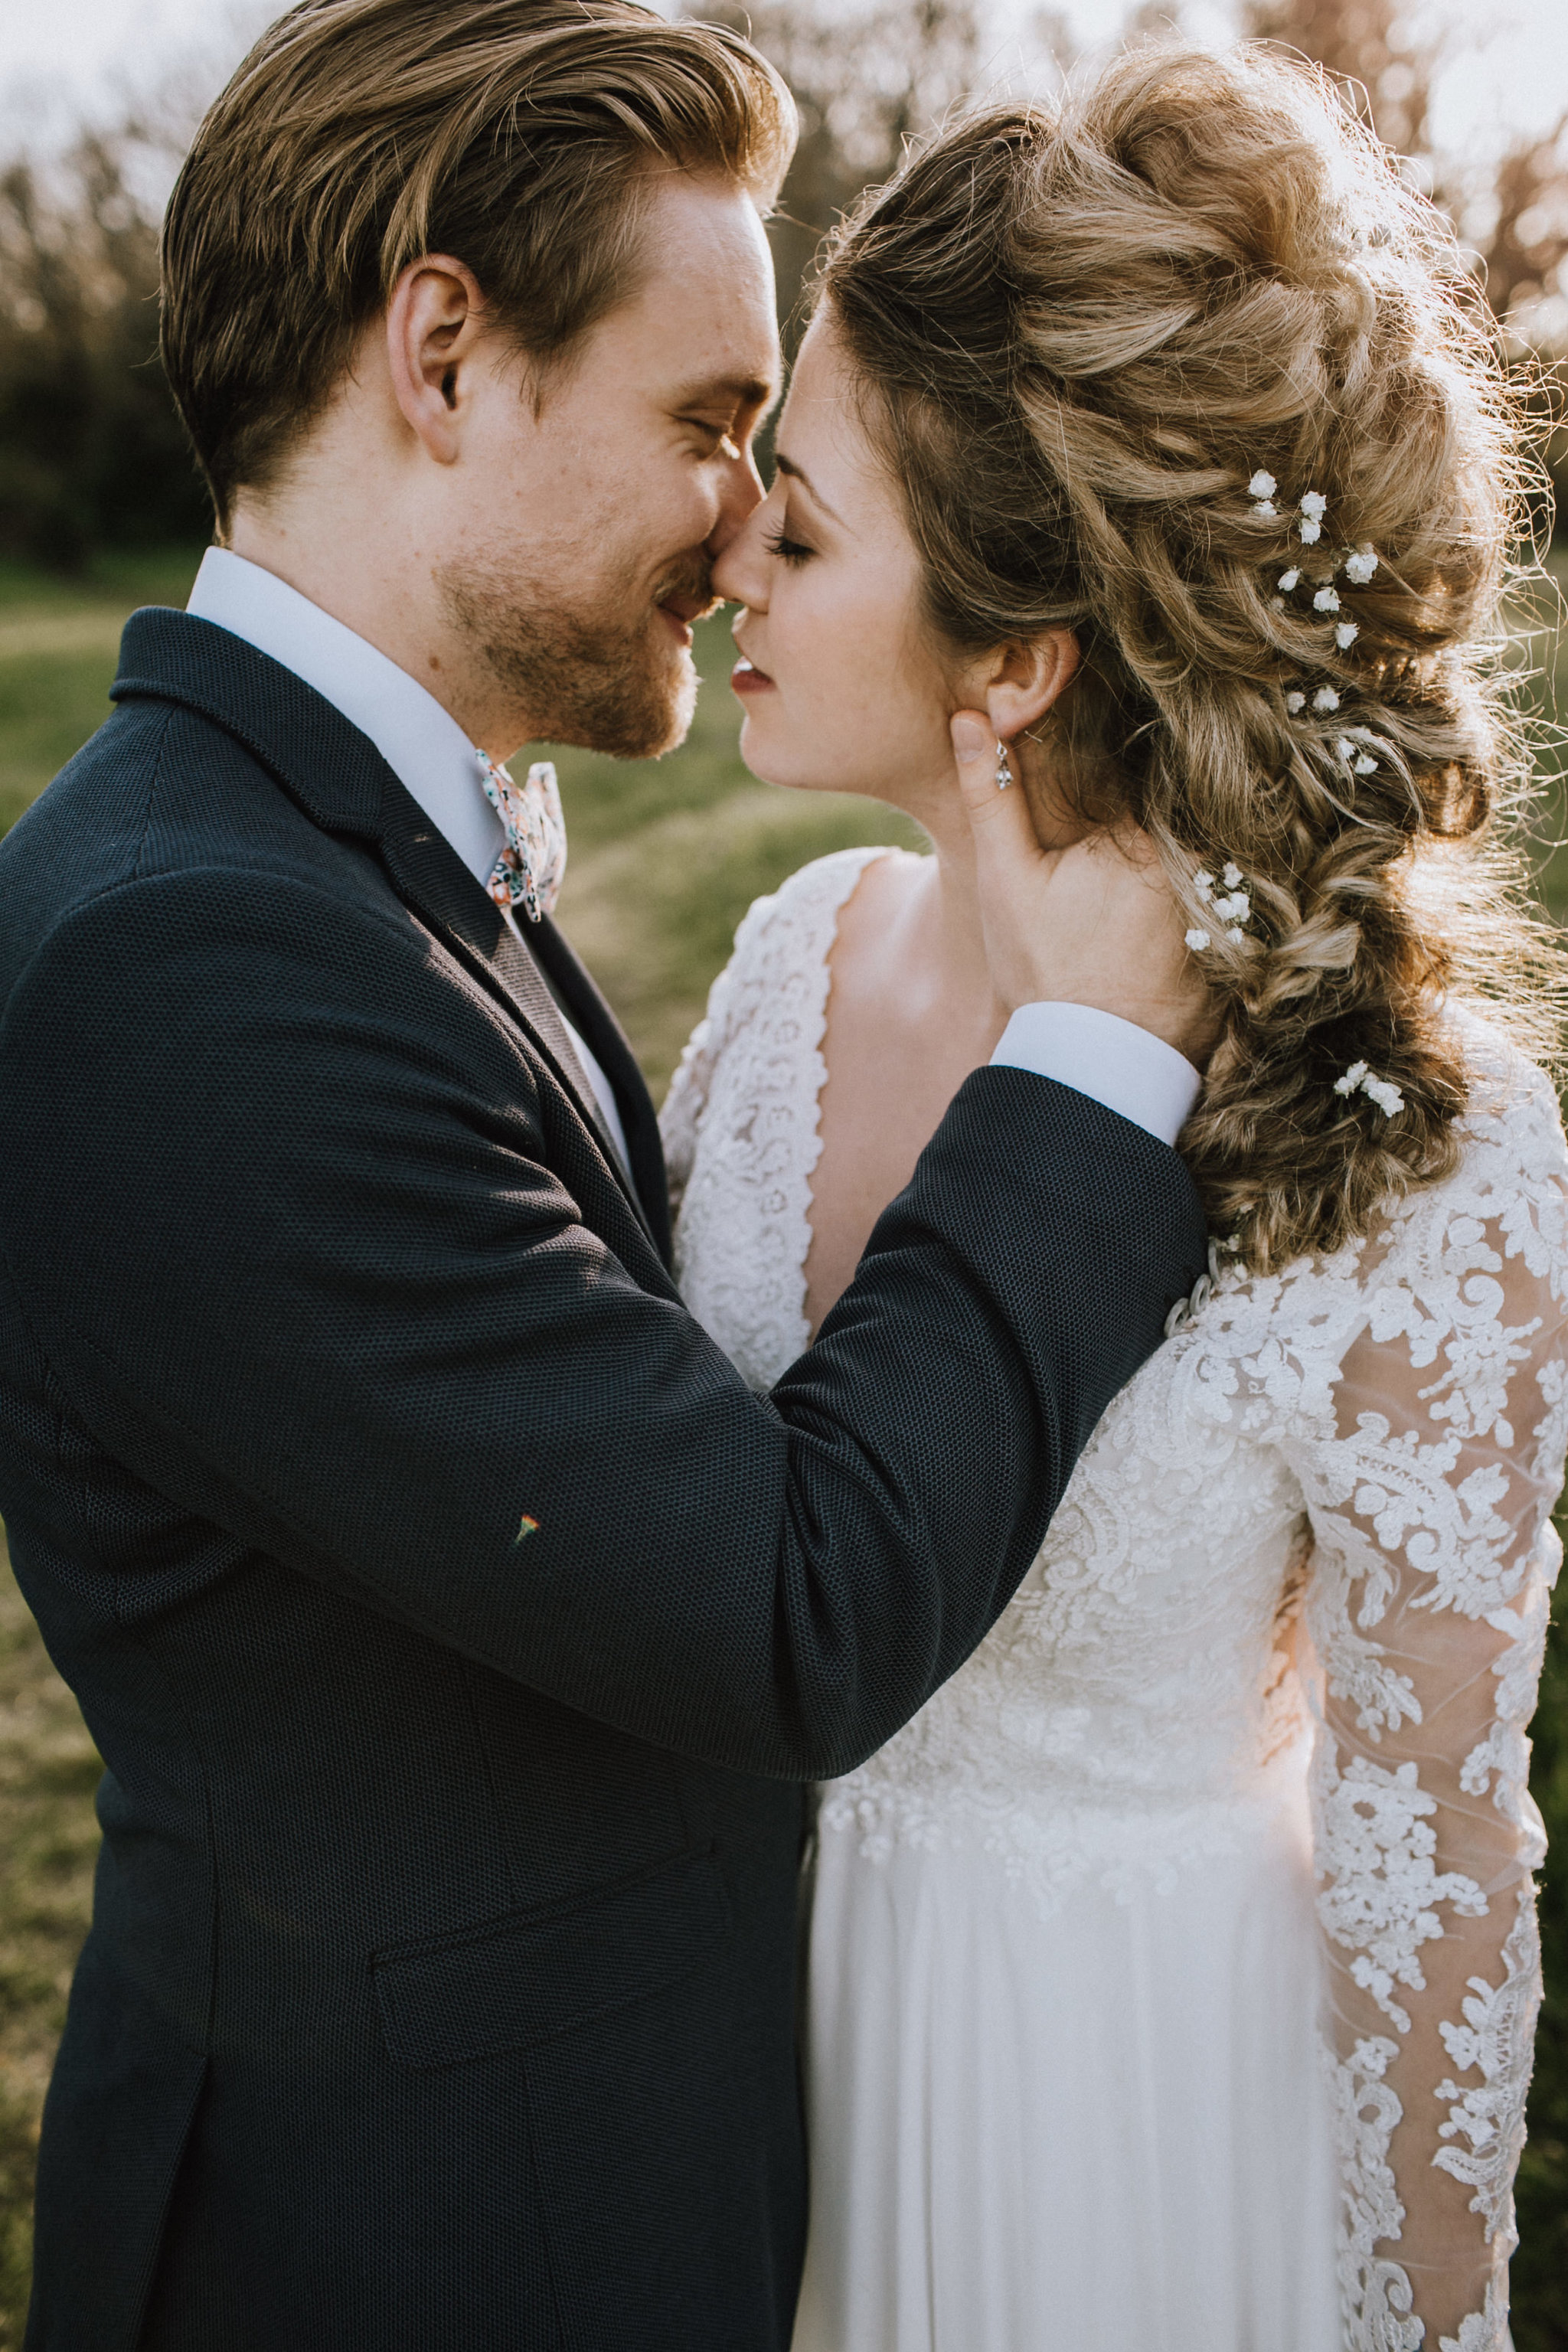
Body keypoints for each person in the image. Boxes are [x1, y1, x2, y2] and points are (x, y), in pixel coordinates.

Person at [0, 5, 1217, 2348]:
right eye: (707, 424)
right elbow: (784, 1603)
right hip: (403, 2248)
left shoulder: (349, 851)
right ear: (440, 351)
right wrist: (1089, 1060)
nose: (754, 519)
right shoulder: (198, 962)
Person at [668, 45, 1568, 2352]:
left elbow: (1436, 1850)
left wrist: (1423, 2317)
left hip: (1141, 2134)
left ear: (1023, 651)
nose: (724, 567)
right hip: (744, 2098)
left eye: (804, 523)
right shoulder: (785, 978)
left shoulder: (1414, 1133)